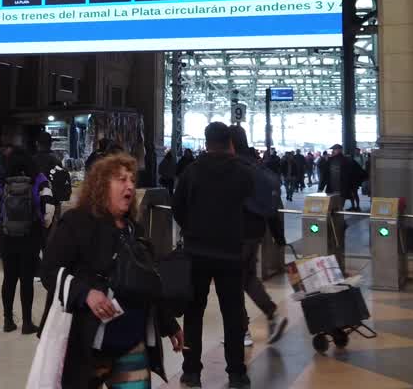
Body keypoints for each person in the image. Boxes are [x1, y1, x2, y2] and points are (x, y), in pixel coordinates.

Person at [40, 153, 183, 388]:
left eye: (131, 180)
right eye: (121, 179)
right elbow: (49, 271)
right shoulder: (77, 222)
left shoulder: (134, 230)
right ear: (100, 185)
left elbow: (146, 284)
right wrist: (85, 293)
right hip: (87, 345)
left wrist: (169, 324)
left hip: (130, 342)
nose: (129, 185)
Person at [173, 121, 255, 388]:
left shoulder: (191, 172)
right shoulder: (243, 172)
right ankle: (236, 373)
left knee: (193, 313)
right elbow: (254, 208)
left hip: (196, 253)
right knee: (232, 314)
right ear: (229, 142)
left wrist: (193, 229)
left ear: (206, 143)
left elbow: (178, 208)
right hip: (231, 254)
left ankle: (192, 372)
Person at [231, 126, 288, 348]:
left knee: (233, 282)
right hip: (256, 232)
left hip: (237, 233)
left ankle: (242, 330)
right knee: (247, 278)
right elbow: (270, 205)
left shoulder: (235, 168)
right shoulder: (257, 165)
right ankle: (273, 314)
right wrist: (278, 236)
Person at [0, 152, 54, 334]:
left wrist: (4, 225)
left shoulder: (3, 181)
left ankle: (7, 320)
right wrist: (42, 226)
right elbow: (49, 207)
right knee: (26, 278)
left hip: (7, 236)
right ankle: (27, 322)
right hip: (31, 235)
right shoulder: (39, 179)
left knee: (9, 277)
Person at [321, 145, 368, 210]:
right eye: (333, 150)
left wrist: (321, 187)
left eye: (334, 150)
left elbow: (325, 175)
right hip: (338, 188)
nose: (333, 151)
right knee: (336, 205)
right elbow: (325, 175)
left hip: (339, 188)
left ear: (340, 150)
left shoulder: (343, 160)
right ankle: (339, 218)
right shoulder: (333, 160)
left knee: (337, 206)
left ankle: (340, 217)